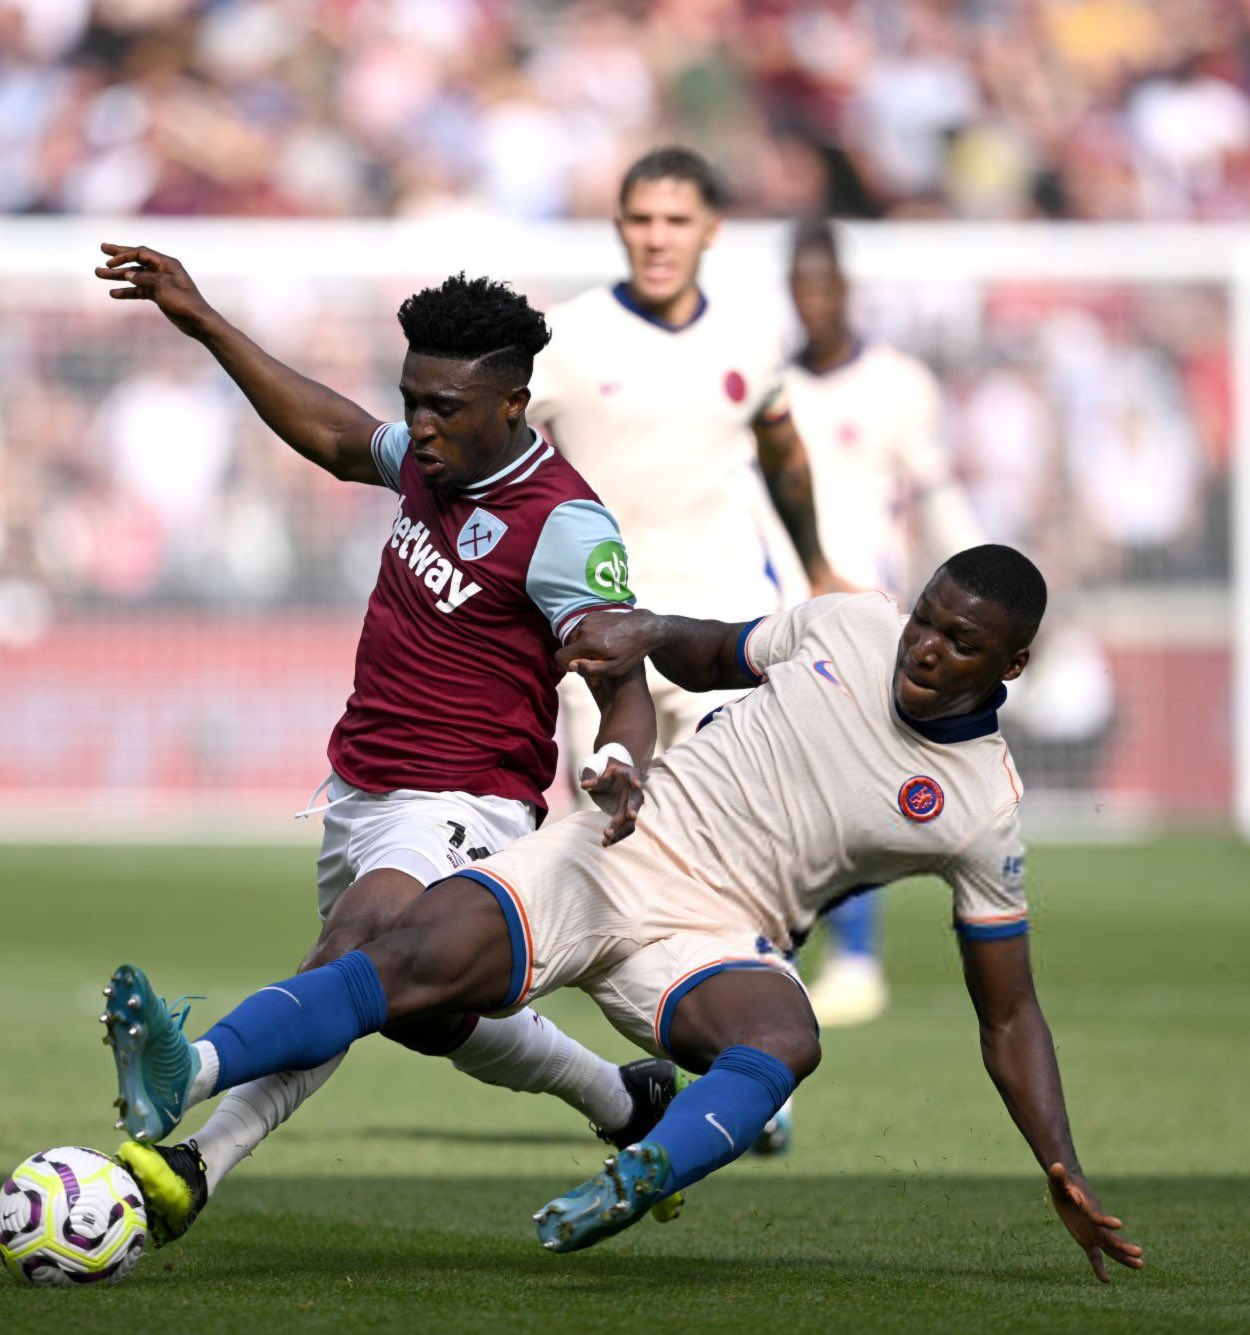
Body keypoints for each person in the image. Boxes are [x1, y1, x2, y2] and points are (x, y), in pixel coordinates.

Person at [98, 544, 1146, 1280]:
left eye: (959, 642)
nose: (923, 649)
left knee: (787, 1036)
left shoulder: (980, 808)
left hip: (718, 937)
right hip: (617, 848)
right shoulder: (849, 622)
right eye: (925, 620)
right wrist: (645, 632)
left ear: (1011, 666)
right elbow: (713, 650)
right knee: (409, 955)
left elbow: (1010, 1014)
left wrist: (1059, 1161)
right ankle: (188, 1071)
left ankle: (647, 1171)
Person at [92, 244, 676, 1245]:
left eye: (445, 406)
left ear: (513, 404)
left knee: (354, 952)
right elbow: (333, 434)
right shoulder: (435, 461)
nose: (421, 425)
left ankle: (193, 1114)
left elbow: (622, 679)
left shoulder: (565, 525)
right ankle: (624, 1101)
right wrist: (208, 322)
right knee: (412, 1009)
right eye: (413, 401)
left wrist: (622, 762)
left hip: (467, 800)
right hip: (359, 783)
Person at [526, 147, 845, 1151]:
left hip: (720, 635)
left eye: (674, 220)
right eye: (639, 219)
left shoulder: (751, 335)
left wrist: (818, 565)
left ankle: (755, 1060)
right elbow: (495, 459)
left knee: (740, 852)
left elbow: (782, 451)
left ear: (711, 229)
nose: (655, 238)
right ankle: (702, 1047)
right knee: (618, 860)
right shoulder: (565, 339)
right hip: (598, 642)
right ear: (619, 226)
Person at [773, 217, 986, 1028]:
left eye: (825, 285)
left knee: (848, 787)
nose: (814, 301)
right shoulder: (772, 387)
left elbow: (934, 493)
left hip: (872, 615)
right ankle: (785, 954)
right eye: (801, 286)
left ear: (846, 289)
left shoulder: (898, 384)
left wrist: (985, 585)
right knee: (787, 790)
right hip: (782, 612)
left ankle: (855, 956)